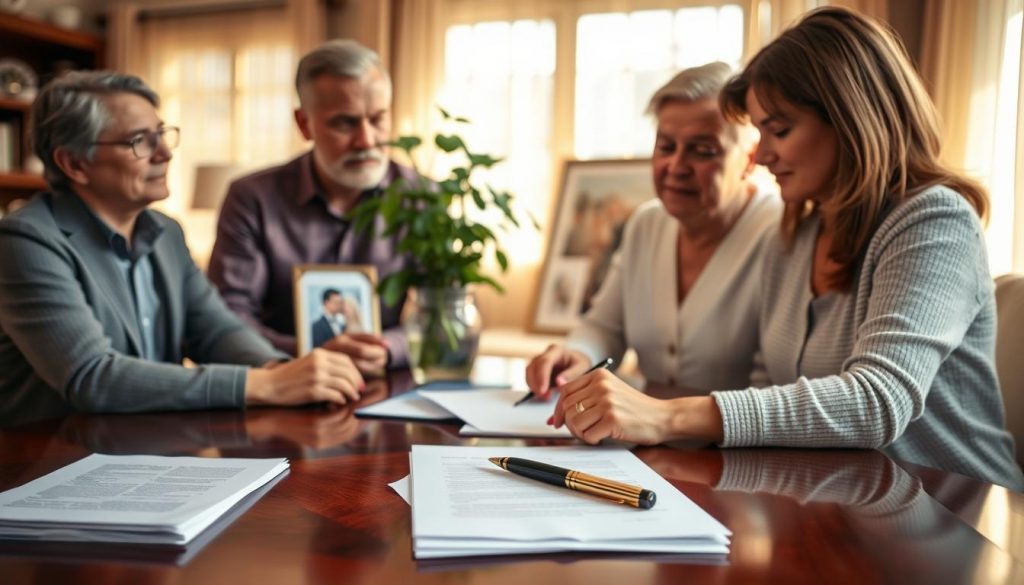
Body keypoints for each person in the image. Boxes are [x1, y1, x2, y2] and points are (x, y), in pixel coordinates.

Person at [547, 7, 1024, 490]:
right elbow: (766, 389)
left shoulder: (934, 221)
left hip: (957, 514)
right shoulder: (795, 234)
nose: (766, 152)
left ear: (850, 119)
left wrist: (667, 417)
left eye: (779, 130)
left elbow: (878, 402)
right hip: (847, 503)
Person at [0, 71, 366, 427]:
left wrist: (279, 370)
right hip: (50, 466)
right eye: (140, 141)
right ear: (75, 163)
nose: (164, 153)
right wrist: (267, 385)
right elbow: (92, 377)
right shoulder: (25, 241)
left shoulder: (166, 232)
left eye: (161, 135)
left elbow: (216, 331)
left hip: (150, 454)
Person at [525, 62, 781, 396]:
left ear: (749, 158)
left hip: (738, 447)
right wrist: (576, 355)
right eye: (666, 147)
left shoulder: (779, 233)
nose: (676, 167)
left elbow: (776, 382)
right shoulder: (647, 223)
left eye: (702, 151)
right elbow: (605, 327)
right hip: (646, 443)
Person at [208, 39, 417, 373]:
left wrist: (390, 348)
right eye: (345, 123)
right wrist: (306, 354)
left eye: (378, 119)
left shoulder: (421, 198)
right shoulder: (251, 199)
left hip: (389, 388)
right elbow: (227, 317)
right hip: (280, 384)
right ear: (304, 124)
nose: (366, 140)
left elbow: (451, 314)